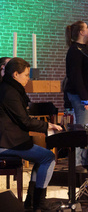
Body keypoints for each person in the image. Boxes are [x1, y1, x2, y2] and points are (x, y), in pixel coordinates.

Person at [0, 57, 62, 211]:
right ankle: (39, 202)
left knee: (42, 157)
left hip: (9, 139)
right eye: (26, 75)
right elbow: (25, 122)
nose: (28, 78)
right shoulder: (10, 93)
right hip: (6, 143)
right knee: (48, 157)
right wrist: (48, 125)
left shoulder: (9, 88)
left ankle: (32, 201)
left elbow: (22, 119)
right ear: (15, 74)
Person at [65, 21, 88, 172]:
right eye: (87, 29)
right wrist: (84, 97)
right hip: (80, 95)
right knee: (83, 128)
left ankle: (87, 161)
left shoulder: (86, 49)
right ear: (81, 32)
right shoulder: (75, 50)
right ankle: (78, 163)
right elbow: (76, 76)